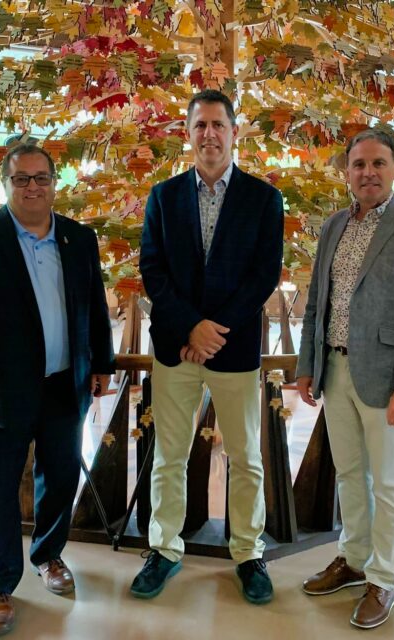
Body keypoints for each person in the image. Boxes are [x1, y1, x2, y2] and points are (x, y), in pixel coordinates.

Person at [0, 144, 115, 635]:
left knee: (59, 479)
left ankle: (49, 555)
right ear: (6, 183)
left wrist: (101, 363)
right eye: (22, 179)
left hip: (65, 385)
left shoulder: (79, 239)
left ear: (55, 182)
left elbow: (93, 308)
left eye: (41, 178)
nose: (32, 187)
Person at [133, 89, 284, 604]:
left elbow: (262, 276)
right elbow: (153, 271)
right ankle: (164, 548)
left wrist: (213, 328)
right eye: (200, 126)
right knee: (169, 456)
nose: (210, 135)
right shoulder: (163, 196)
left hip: (234, 349)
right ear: (189, 133)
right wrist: (190, 328)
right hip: (175, 348)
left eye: (219, 125)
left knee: (245, 458)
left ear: (234, 133)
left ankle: (248, 553)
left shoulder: (264, 200)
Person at [295, 129, 394, 629]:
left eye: (379, 163)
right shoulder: (334, 225)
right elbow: (318, 303)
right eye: (359, 164)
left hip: (387, 380)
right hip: (335, 371)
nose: (368, 173)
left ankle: (384, 577)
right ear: (347, 171)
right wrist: (307, 366)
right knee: (349, 474)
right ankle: (354, 558)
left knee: (388, 481)